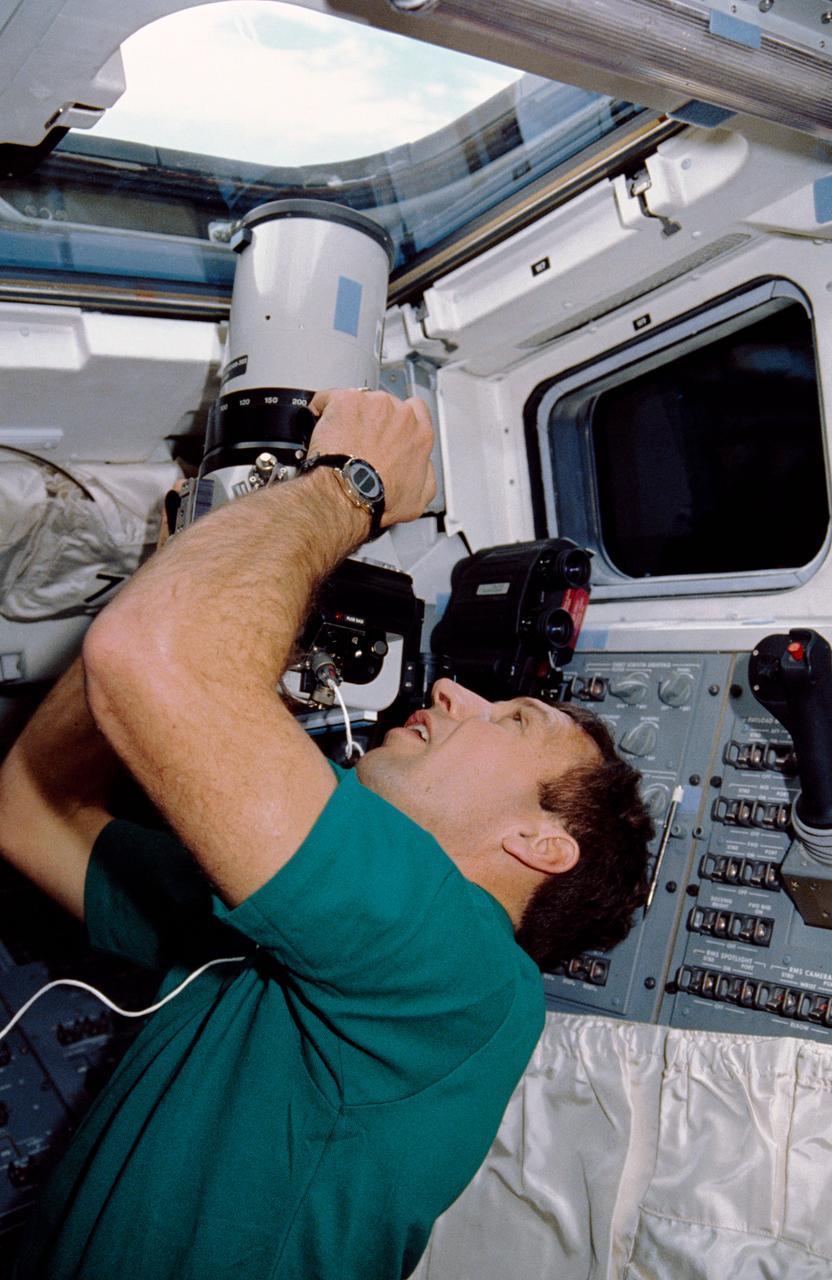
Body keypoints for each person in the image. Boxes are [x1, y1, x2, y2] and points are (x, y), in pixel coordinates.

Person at [0, 388, 652, 1280]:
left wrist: (358, 485)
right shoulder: (281, 936)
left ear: (544, 845)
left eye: (511, 721)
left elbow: (150, 661)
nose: (451, 694)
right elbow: (30, 812)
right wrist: (174, 577)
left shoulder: (468, 975)